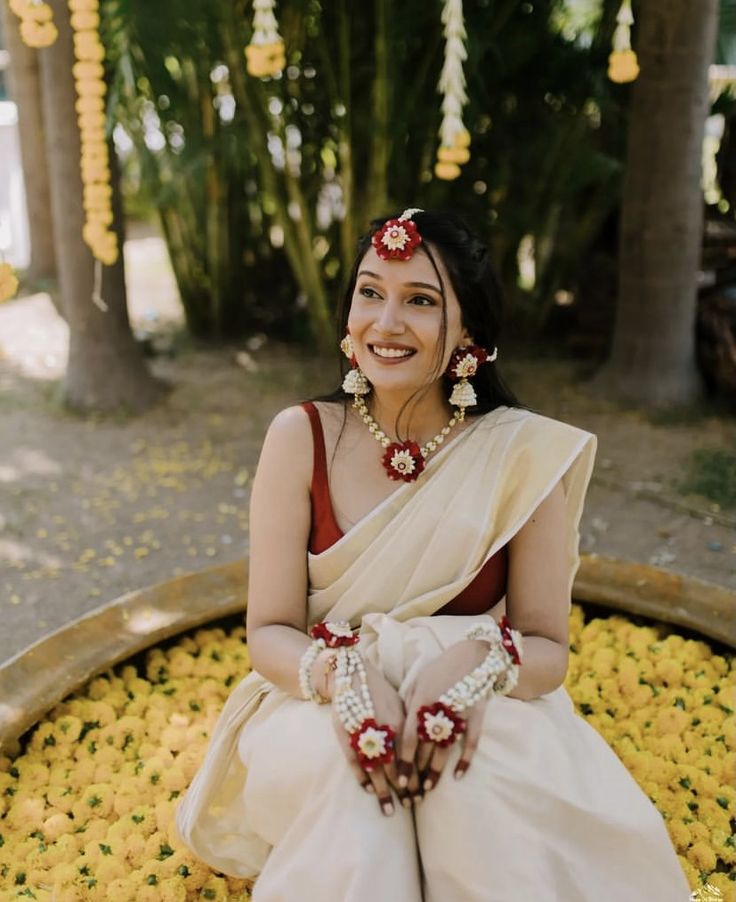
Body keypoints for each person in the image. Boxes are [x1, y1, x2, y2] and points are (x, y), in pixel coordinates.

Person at [175, 209, 690, 901]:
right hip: (318, 698)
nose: (385, 322)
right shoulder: (300, 437)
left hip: (479, 700)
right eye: (369, 292)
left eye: (420, 300)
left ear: (469, 333)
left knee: (468, 784)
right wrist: (347, 685)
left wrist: (476, 666)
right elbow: (268, 631)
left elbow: (546, 649)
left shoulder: (520, 455)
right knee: (353, 782)